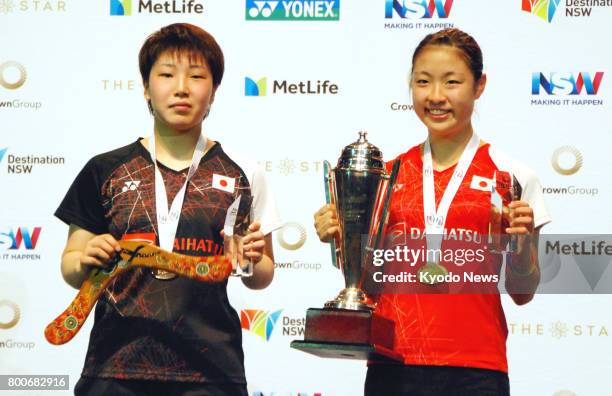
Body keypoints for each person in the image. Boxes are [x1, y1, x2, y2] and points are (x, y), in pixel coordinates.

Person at [314, 28, 550, 395]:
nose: (436, 96)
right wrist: (343, 238)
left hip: (476, 368)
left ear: (479, 85)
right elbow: (368, 278)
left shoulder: (513, 176)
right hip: (392, 362)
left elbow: (523, 291)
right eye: (423, 82)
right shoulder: (384, 177)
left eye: (452, 82)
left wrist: (520, 247)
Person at [55, 23, 281, 396]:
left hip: (211, 370)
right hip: (115, 367)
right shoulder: (105, 169)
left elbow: (262, 274)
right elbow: (70, 266)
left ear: (214, 91)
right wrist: (85, 259)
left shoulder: (243, 172)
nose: (181, 87)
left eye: (196, 76)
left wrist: (249, 260)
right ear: (146, 87)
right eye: (166, 74)